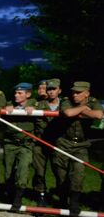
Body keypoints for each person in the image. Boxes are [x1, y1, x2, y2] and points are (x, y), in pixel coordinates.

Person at [53, 81, 103, 216]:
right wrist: (83, 109)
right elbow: (68, 113)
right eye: (74, 92)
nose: (74, 95)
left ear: (87, 93)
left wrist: (85, 110)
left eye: (78, 92)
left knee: (78, 174)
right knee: (61, 175)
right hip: (64, 143)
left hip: (81, 146)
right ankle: (62, 201)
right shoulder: (66, 100)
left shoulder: (93, 101)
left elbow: (98, 115)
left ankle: (74, 202)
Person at [1, 83, 38, 211]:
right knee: (8, 171)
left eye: (20, 93)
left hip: (25, 144)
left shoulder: (33, 104)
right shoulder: (10, 105)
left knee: (23, 169)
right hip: (10, 143)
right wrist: (7, 106)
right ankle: (9, 196)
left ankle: (18, 199)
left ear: (28, 95)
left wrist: (32, 106)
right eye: (15, 93)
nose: (16, 95)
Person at [32, 78, 63, 206]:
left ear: (59, 91)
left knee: (60, 172)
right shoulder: (38, 104)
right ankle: (41, 195)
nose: (50, 92)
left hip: (59, 143)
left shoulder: (65, 105)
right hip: (40, 142)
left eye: (53, 89)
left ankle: (63, 197)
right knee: (39, 171)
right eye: (48, 89)